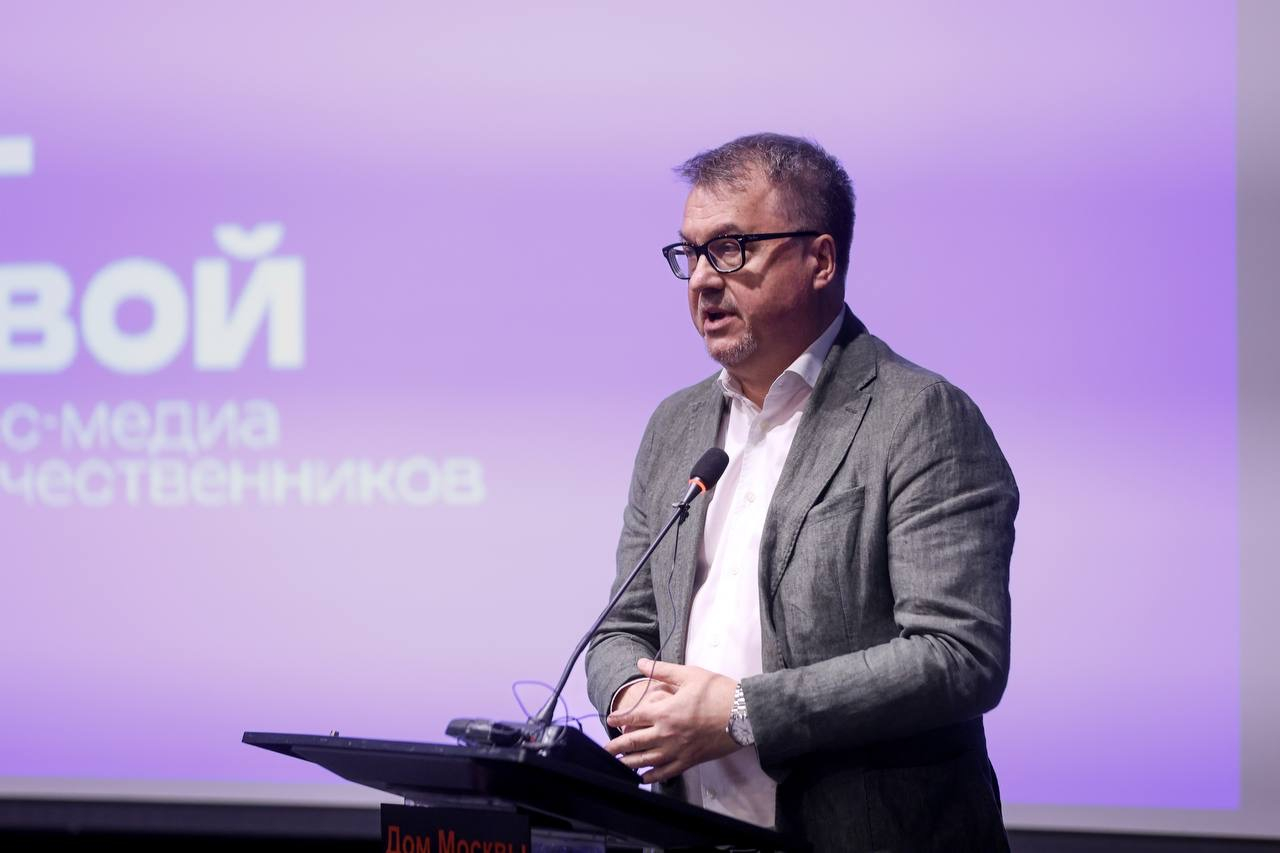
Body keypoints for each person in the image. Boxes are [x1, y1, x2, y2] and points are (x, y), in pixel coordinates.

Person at [584, 133, 1019, 852]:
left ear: (820, 260)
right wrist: (635, 699)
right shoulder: (675, 425)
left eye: (731, 248)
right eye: (690, 253)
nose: (702, 280)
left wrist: (741, 713)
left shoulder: (919, 416)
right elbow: (620, 627)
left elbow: (958, 653)